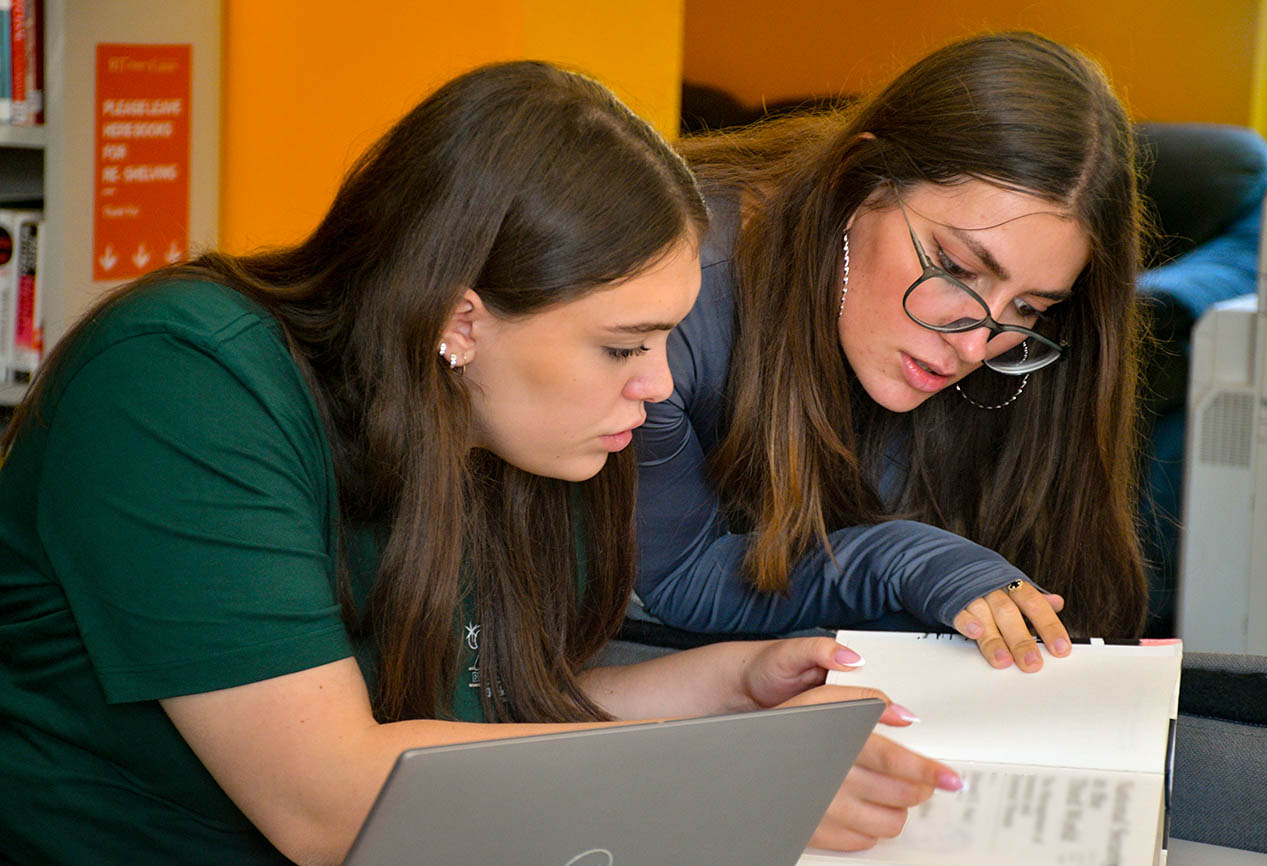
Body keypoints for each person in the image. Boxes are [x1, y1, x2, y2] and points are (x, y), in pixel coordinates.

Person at [0, 61, 961, 864]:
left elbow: (490, 712)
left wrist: (725, 688)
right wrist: (724, 773)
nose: (660, 386)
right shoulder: (182, 382)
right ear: (460, 320)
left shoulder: (506, 430)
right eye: (623, 346)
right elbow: (332, 802)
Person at [633, 32, 1149, 671]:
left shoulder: (1017, 359)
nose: (975, 344)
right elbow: (681, 579)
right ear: (858, 184)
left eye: (1029, 308)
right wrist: (908, 559)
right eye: (955, 267)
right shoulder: (665, 297)